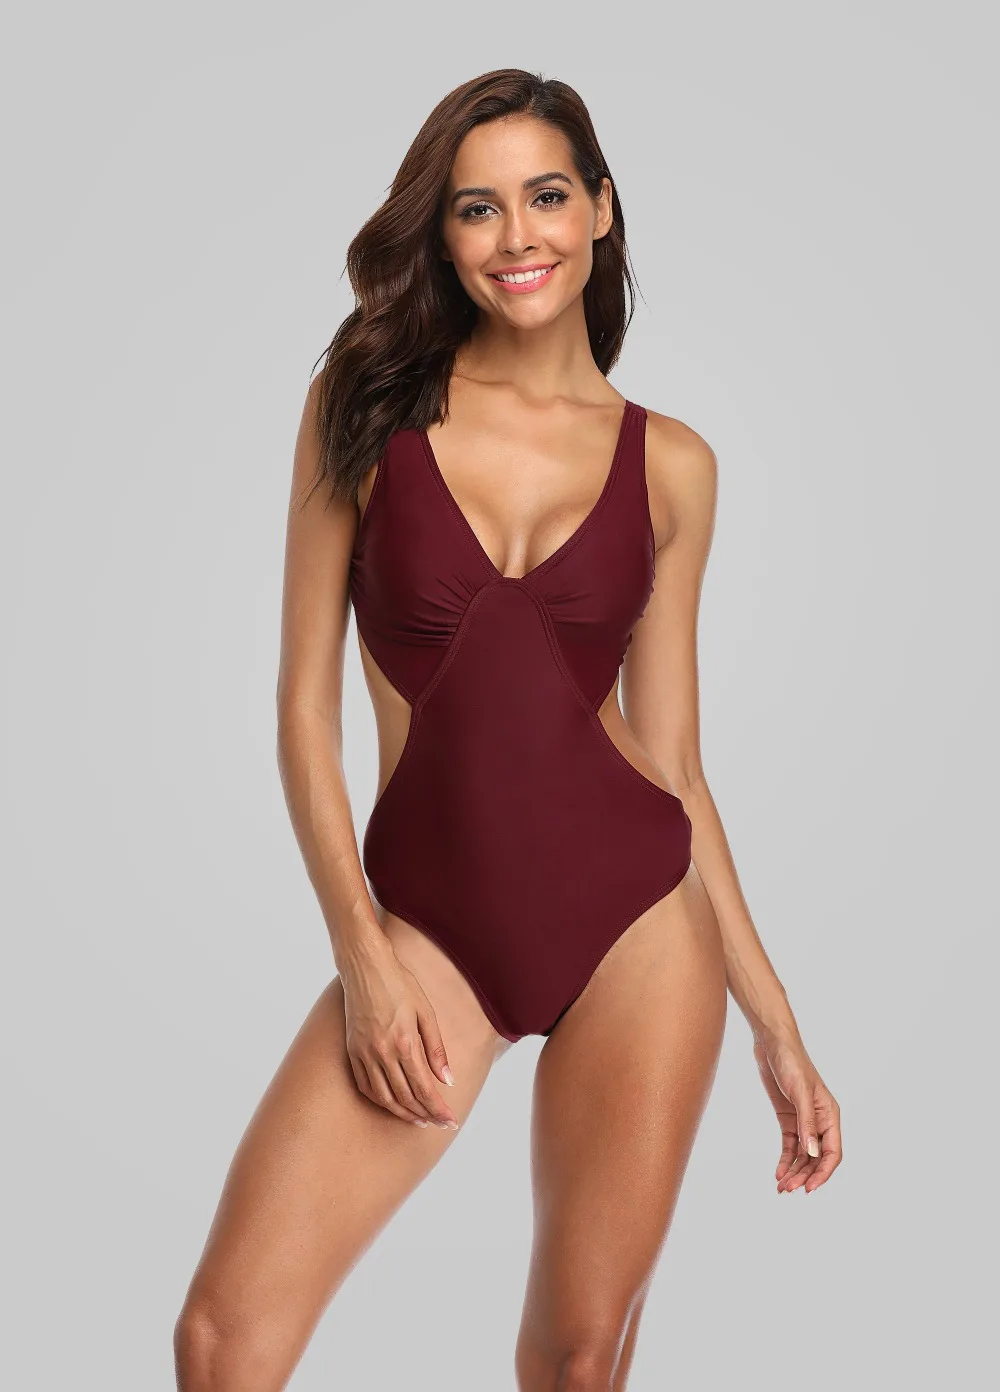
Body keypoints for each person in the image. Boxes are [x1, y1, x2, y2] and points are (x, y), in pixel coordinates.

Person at [174, 67, 842, 1392]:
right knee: (222, 1341)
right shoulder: (365, 408)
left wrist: (775, 1021)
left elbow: (675, 764)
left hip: (641, 926)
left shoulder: (672, 464)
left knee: (574, 1364)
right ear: (443, 233)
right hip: (429, 931)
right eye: (477, 208)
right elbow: (303, 708)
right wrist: (362, 955)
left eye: (546, 196)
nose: (516, 235)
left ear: (601, 209)